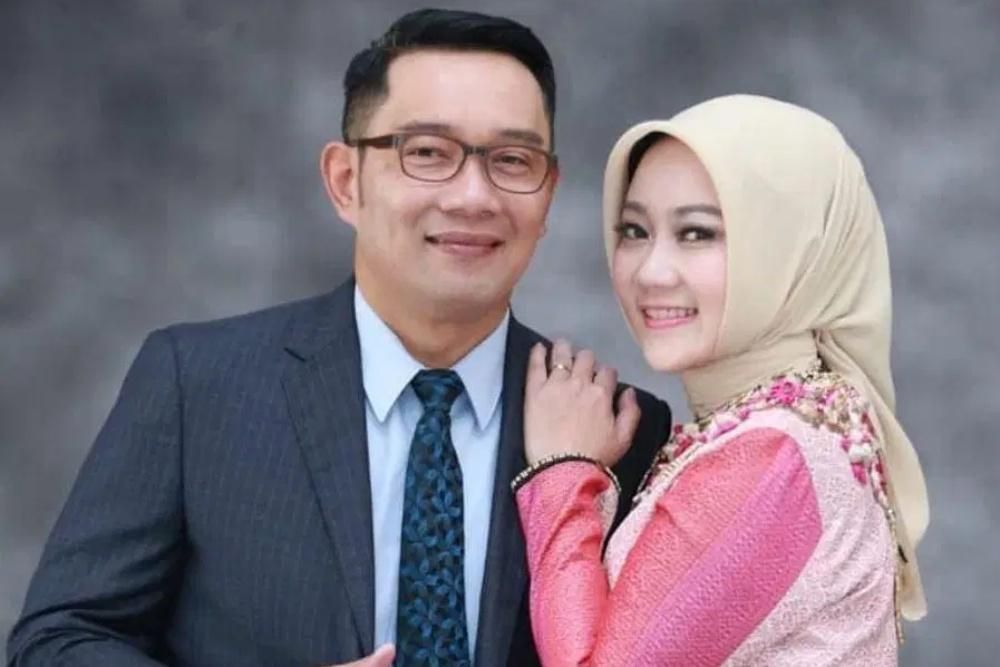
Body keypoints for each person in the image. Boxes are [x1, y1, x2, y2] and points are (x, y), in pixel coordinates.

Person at [6, 9, 672, 667]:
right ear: (346, 181)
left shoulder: (620, 429)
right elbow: (58, 639)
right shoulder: (198, 386)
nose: (474, 196)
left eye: (513, 160)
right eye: (428, 153)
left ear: (548, 193)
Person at [514, 94, 929, 665]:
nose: (651, 271)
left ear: (795, 249)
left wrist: (563, 471)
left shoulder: (774, 456)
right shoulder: (798, 429)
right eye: (634, 230)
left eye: (697, 234)